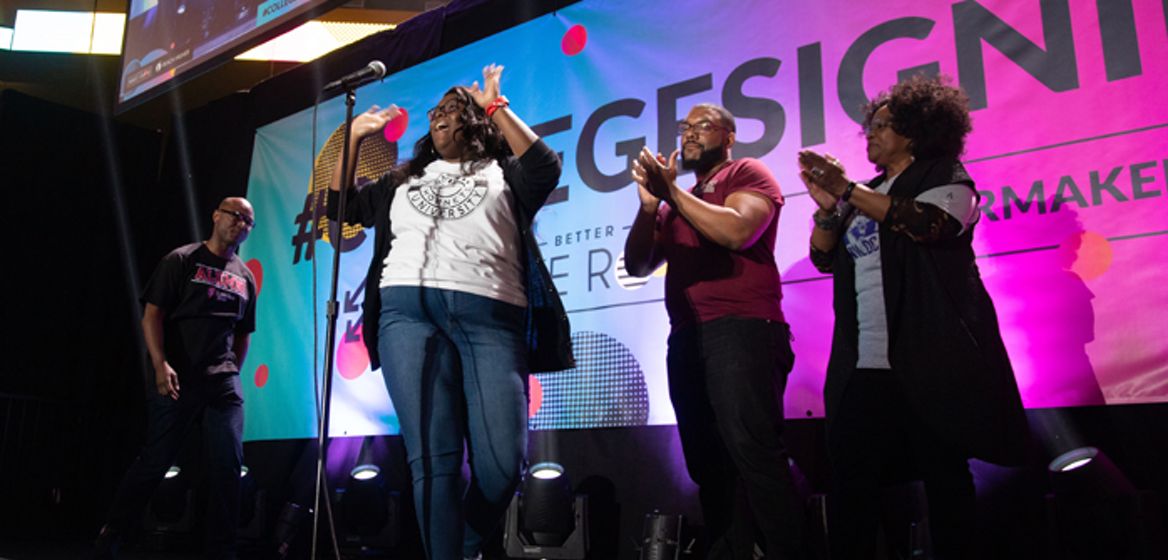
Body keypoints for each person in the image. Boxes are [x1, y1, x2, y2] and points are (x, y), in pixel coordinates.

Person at [326, 64, 572, 560]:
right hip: (406, 313)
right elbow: (341, 211)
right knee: (435, 462)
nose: (439, 117)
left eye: (454, 110)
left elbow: (546, 166)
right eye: (435, 111)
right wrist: (351, 138)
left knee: (504, 465)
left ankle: (462, 543)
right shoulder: (401, 179)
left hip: (492, 315)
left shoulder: (506, 173)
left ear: (476, 121)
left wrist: (496, 106)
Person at [797, 76, 1027, 559]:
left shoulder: (945, 175)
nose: (871, 135)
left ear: (916, 131)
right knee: (853, 480)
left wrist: (849, 191)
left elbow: (931, 224)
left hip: (928, 359)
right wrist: (826, 211)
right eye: (870, 127)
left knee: (943, 473)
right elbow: (822, 257)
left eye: (884, 126)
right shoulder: (866, 192)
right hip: (865, 363)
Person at [624, 103, 804, 559]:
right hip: (686, 336)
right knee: (707, 463)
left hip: (741, 329)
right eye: (685, 127)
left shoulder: (746, 172)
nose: (689, 134)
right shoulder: (675, 201)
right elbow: (638, 265)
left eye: (701, 126)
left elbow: (738, 232)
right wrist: (649, 208)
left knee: (753, 454)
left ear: (728, 136)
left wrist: (673, 194)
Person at [91, 197, 258, 560]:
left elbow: (243, 333)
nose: (240, 225)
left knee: (228, 467)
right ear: (216, 216)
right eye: (235, 216)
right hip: (178, 377)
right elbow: (152, 315)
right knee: (156, 460)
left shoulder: (245, 278)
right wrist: (160, 364)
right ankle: (113, 532)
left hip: (222, 384)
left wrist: (232, 373)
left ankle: (222, 551)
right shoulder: (182, 260)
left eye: (248, 222)